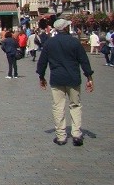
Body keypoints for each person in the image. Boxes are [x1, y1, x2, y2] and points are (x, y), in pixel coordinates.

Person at [37, 18, 94, 146]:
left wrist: (41, 77)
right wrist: (89, 77)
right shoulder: (74, 42)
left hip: (57, 79)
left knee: (58, 107)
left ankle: (61, 136)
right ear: (66, 28)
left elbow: (42, 63)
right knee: (75, 105)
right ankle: (76, 134)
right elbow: (84, 61)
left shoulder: (50, 43)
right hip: (73, 78)